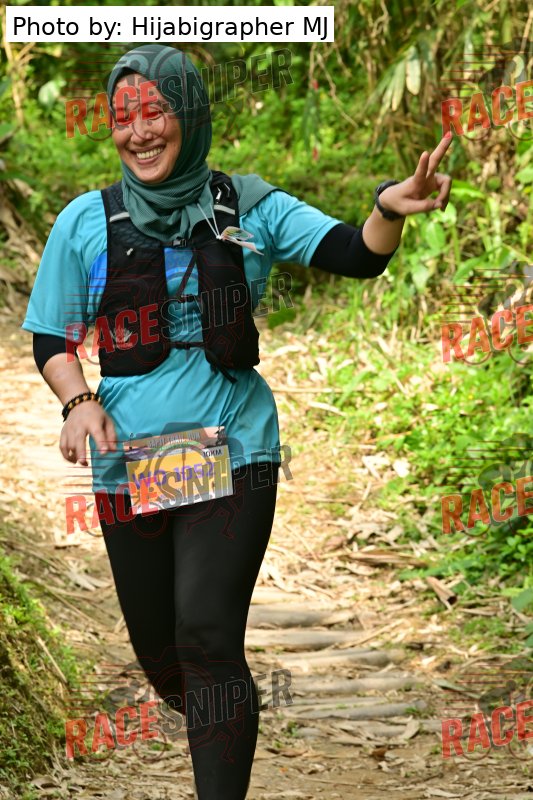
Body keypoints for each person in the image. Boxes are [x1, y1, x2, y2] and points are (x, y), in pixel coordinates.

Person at [22, 44, 452, 800]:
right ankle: (221, 708)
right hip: (131, 462)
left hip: (235, 445)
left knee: (207, 634)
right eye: (122, 117)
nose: (138, 132)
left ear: (189, 114)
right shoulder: (85, 222)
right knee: (166, 660)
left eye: (155, 112)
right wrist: (78, 400)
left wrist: (387, 207)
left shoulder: (248, 207)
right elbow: (52, 338)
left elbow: (356, 254)